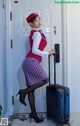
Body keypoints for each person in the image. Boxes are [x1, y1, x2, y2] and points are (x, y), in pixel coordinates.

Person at [16, 13, 55, 123]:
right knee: (45, 79)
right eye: (37, 20)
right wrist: (48, 52)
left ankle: (33, 113)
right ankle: (23, 92)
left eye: (39, 20)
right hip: (31, 61)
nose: (39, 22)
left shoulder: (38, 32)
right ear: (30, 23)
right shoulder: (36, 34)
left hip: (30, 61)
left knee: (31, 89)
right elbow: (34, 50)